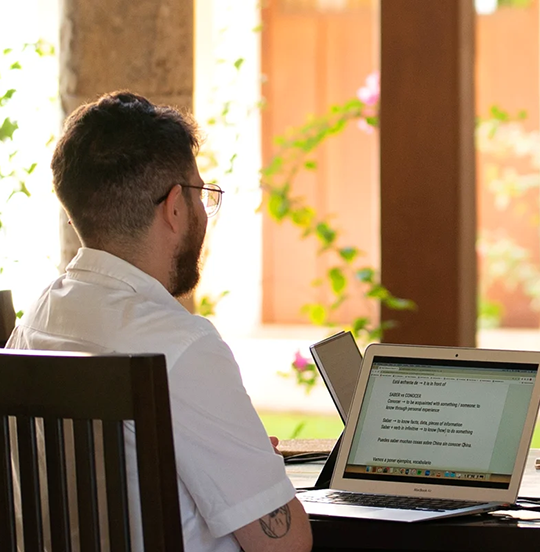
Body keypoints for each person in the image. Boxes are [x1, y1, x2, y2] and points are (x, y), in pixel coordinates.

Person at [7, 92, 312, 551]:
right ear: (174, 207)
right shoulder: (181, 347)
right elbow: (285, 543)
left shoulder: (34, 322)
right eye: (202, 194)